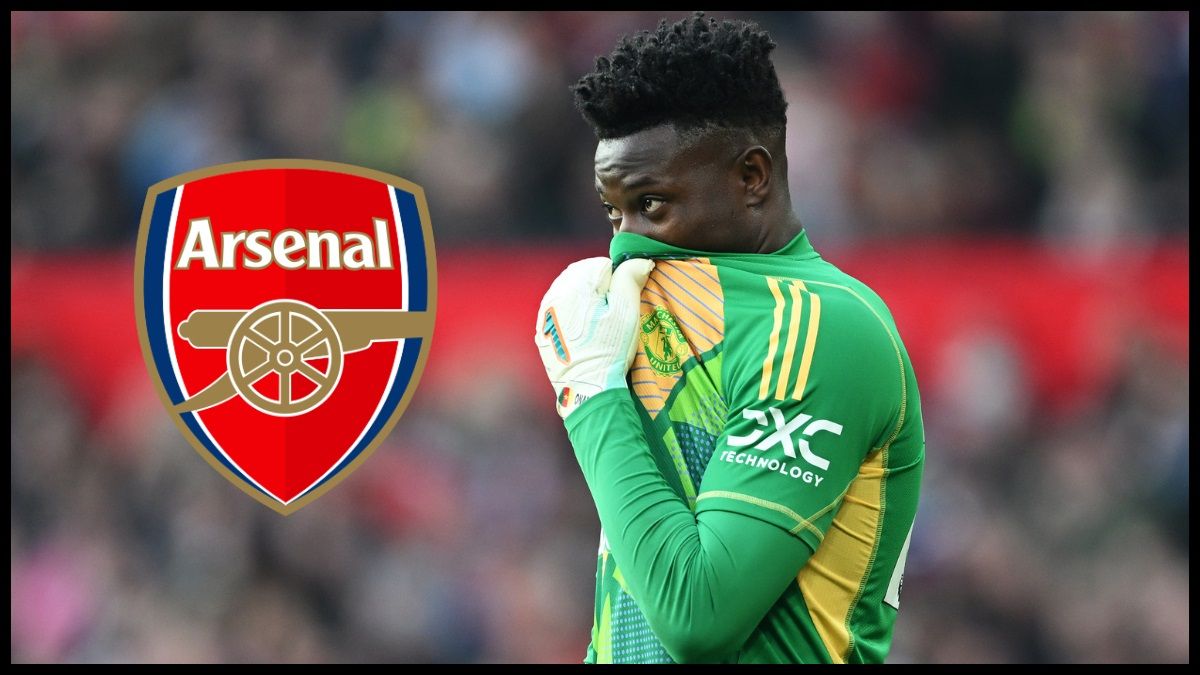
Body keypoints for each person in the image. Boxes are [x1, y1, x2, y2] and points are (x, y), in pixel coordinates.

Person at [534, 12, 924, 664]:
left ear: (752, 177)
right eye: (613, 212)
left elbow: (698, 615)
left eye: (652, 204)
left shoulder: (818, 327)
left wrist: (589, 392)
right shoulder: (650, 306)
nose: (624, 242)